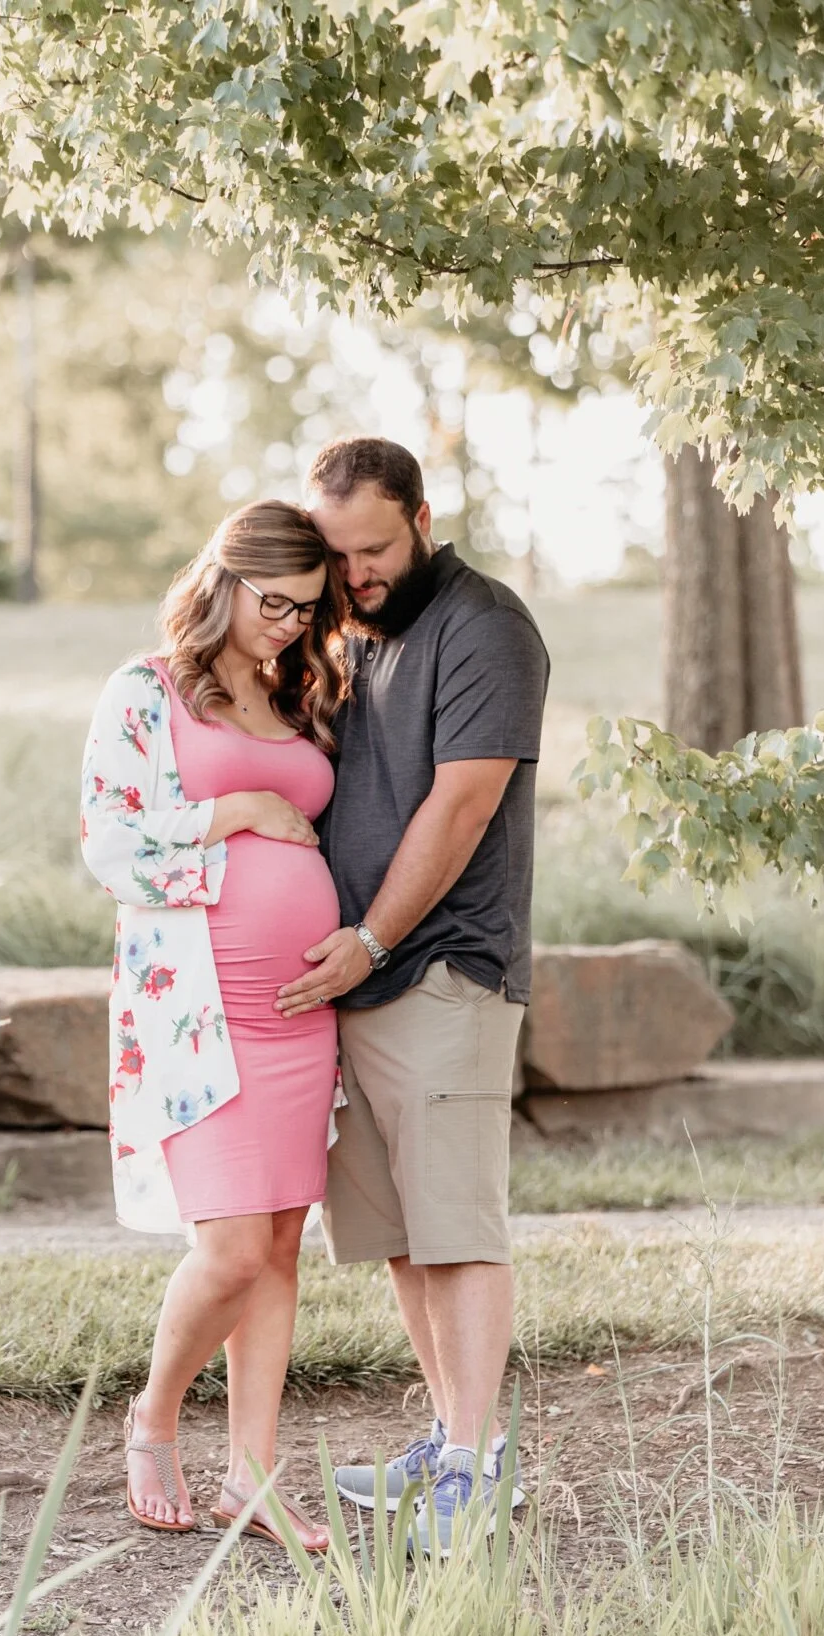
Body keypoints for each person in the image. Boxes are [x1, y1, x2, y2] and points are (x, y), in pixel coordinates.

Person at [275, 436, 551, 1556]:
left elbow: (464, 801)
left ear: (423, 516)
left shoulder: (485, 628)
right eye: (336, 554)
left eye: (374, 547)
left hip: (442, 968)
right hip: (357, 981)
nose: (355, 572)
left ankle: (474, 1467)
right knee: (397, 1232)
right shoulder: (349, 632)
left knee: (456, 1226)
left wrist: (373, 935)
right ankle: (453, 1444)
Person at [78, 499, 349, 1551]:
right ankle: (151, 1415)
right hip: (196, 1009)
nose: (286, 623)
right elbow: (112, 846)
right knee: (230, 1246)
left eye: (305, 608)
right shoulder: (145, 690)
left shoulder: (298, 691)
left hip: (298, 1018)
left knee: (280, 1241)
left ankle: (251, 1474)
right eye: (272, 601)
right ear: (222, 577)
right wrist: (230, 815)